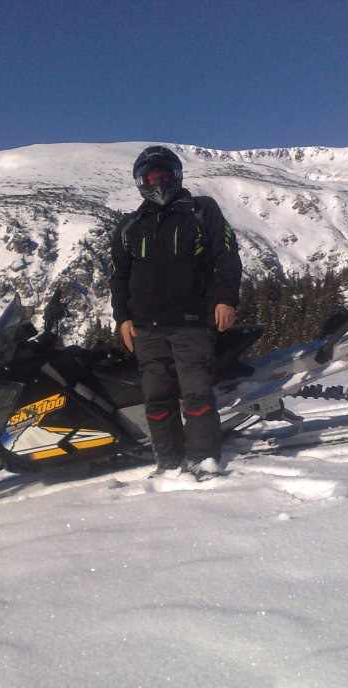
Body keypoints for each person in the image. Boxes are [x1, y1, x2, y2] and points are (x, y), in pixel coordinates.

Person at [109, 146, 242, 478]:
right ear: (140, 181)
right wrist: (122, 318)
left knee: (197, 394)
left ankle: (204, 459)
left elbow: (226, 255)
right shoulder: (130, 225)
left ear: (176, 176)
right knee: (157, 398)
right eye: (151, 177)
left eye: (164, 175)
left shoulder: (201, 210)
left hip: (192, 322)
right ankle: (168, 463)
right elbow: (119, 276)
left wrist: (226, 299)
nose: (158, 182)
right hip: (146, 327)